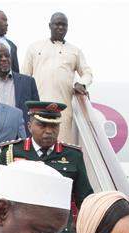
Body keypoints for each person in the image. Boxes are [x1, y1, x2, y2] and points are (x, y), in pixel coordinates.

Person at [0, 101, 93, 233]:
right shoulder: (11, 153)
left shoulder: (72, 156)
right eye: (43, 125)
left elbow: (85, 199)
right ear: (30, 126)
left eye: (54, 126)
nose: (49, 131)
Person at [22, 12, 93, 145]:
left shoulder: (75, 51)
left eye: (64, 25)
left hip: (63, 111)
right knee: (37, 148)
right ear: (50, 25)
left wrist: (81, 84)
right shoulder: (35, 47)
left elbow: (87, 73)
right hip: (38, 108)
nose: (60, 28)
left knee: (62, 149)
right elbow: (24, 77)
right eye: (57, 24)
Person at [0, 42, 40, 134]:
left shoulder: (28, 82)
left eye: (7, 56)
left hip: (22, 137)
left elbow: (36, 113)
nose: (4, 59)